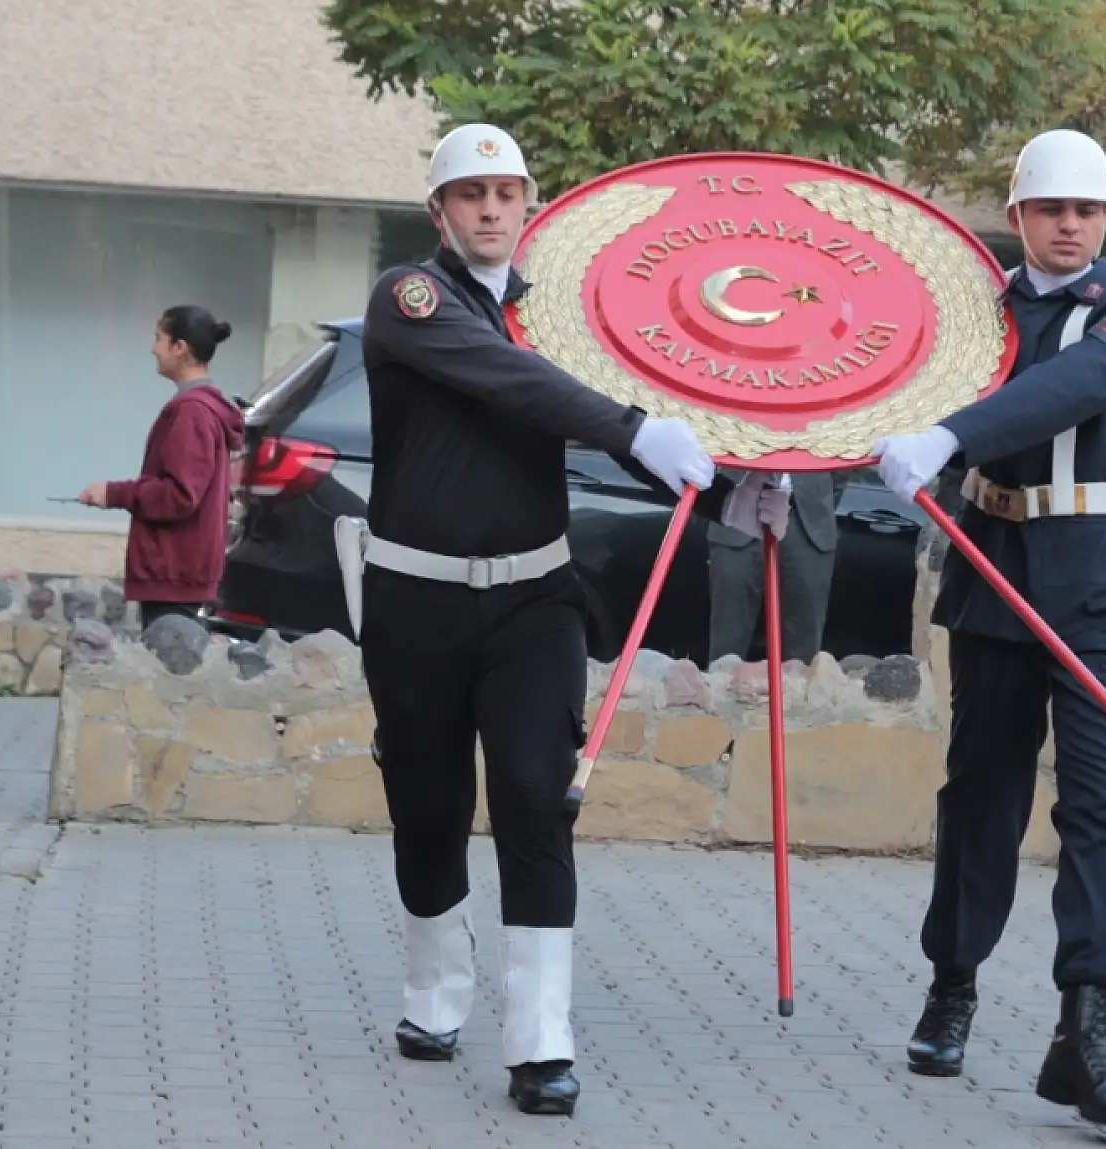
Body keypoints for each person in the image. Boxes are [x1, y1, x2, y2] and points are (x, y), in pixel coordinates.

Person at [345, 123, 790, 1116]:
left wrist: (726, 494)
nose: (492, 208)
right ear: (439, 213)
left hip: (534, 601)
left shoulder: (558, 323)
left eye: (507, 193)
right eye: (471, 195)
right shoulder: (410, 301)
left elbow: (591, 401)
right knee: (426, 809)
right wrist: (637, 427)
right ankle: (433, 994)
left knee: (537, 801)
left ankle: (540, 1041)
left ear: (531, 205)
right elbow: (528, 389)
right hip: (416, 598)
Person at [872, 128, 1106, 1135]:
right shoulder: (974, 313)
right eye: (1050, 210)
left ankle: (1085, 1030)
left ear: (1104, 220)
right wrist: (785, 465)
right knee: (981, 798)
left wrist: (949, 436)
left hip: (1096, 588)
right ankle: (950, 986)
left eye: (1085, 211)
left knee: (1096, 808)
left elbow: (1075, 386)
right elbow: (877, 378)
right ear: (1018, 217)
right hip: (996, 573)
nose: (1068, 225)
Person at [78, 306, 244, 631]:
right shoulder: (201, 409)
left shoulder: (192, 413)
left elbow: (179, 495)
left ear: (179, 347)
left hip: (174, 570)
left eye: (159, 339)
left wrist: (112, 493)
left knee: (169, 668)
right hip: (180, 570)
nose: (153, 348)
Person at [708, 469, 847, 665]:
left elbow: (841, 465)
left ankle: (793, 697)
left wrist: (817, 499)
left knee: (802, 650)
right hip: (736, 518)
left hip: (806, 524)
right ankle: (719, 694)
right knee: (728, 640)